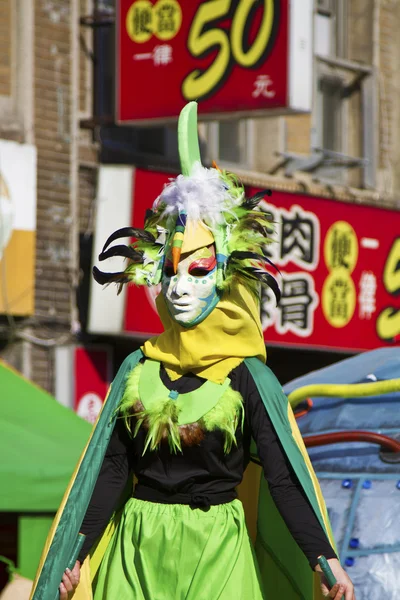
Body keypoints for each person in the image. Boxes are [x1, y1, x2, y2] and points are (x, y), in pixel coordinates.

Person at [30, 102, 355, 600]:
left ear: (226, 278)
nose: (179, 288)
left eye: (199, 271)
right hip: (138, 550)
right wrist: (76, 554)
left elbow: (285, 479)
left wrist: (325, 561)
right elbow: (113, 468)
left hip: (217, 551)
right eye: (170, 272)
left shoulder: (249, 378)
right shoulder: (139, 368)